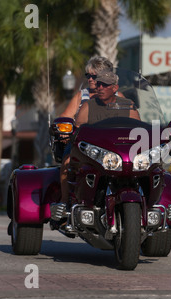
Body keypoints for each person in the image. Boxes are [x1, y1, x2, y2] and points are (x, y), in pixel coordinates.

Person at [50, 68, 140, 221]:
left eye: (105, 85)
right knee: (68, 163)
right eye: (98, 84)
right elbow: (78, 132)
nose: (100, 88)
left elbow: (139, 131)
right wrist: (67, 133)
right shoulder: (88, 106)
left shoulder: (128, 105)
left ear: (115, 88)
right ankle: (66, 203)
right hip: (95, 154)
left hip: (122, 154)